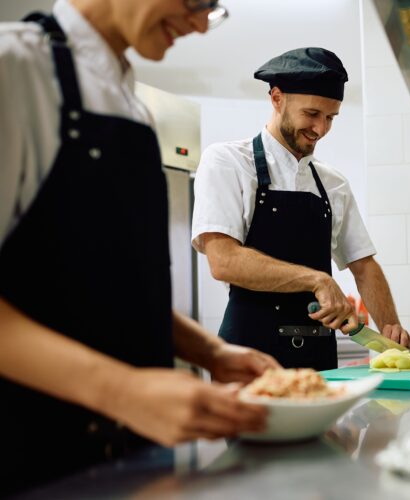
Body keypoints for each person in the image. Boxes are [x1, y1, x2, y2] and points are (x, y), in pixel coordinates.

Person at [0, 0, 281, 495]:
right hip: (31, 458)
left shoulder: (130, 104)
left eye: (212, 9)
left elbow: (106, 283)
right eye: (195, 2)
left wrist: (211, 351)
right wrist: (121, 390)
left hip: (130, 459)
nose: (198, 24)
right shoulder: (14, 69)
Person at [192, 47, 410, 371]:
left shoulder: (332, 183)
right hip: (250, 358)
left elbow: (364, 265)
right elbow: (223, 261)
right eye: (312, 114)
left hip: (319, 359)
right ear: (277, 98)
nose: (321, 128)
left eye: (330, 118)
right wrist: (318, 280)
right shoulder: (227, 161)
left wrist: (390, 329)